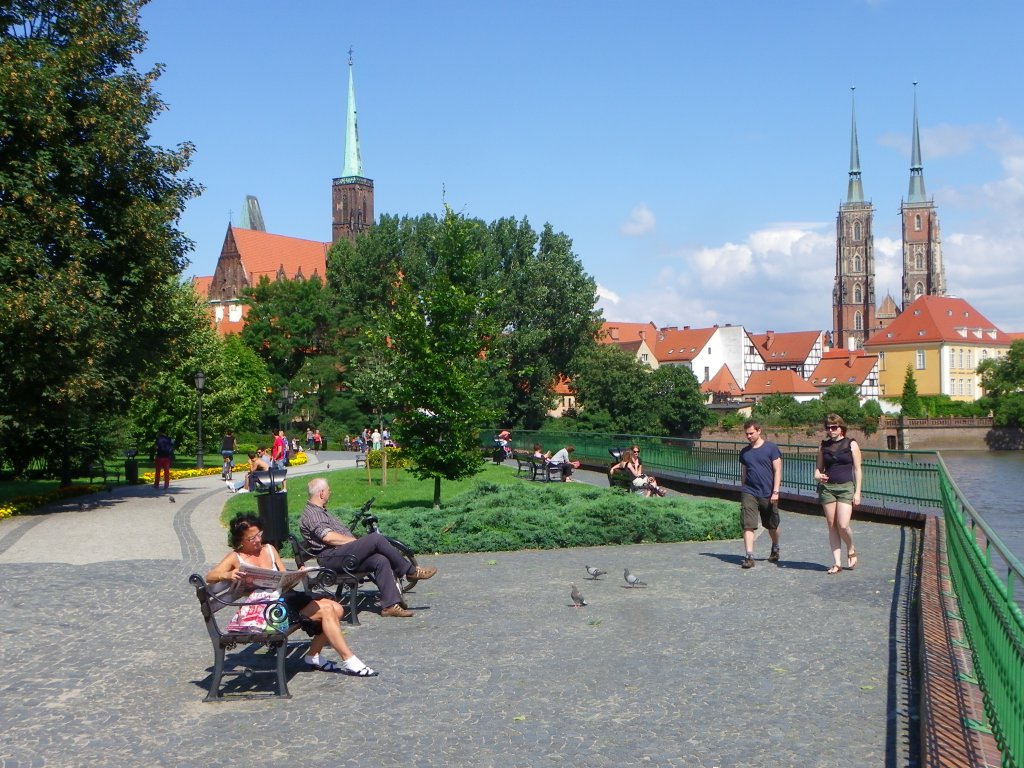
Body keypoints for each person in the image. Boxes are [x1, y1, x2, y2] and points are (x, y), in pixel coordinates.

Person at [205, 514, 378, 676]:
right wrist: (227, 575)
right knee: (327, 611)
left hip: (286, 597)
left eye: (259, 534)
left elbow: (284, 576)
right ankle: (349, 659)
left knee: (337, 608)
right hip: (267, 609)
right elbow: (210, 576)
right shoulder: (236, 557)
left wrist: (297, 575)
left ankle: (313, 655)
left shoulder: (269, 549)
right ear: (240, 541)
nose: (258, 540)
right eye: (252, 538)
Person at [299, 478, 437, 618]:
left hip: (340, 554)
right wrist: (354, 542)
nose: (330, 493)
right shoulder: (312, 514)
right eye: (329, 490)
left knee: (380, 560)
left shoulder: (319, 511)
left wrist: (355, 543)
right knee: (375, 539)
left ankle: (389, 606)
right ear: (322, 493)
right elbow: (328, 537)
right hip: (332, 558)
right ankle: (410, 571)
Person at [815, 413, 862, 574]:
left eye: (834, 427)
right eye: (828, 427)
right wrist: (817, 475)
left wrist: (857, 492)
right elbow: (818, 468)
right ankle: (837, 563)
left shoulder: (851, 444)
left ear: (841, 428)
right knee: (832, 525)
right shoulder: (823, 446)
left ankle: (851, 547)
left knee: (843, 525)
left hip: (845, 487)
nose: (830, 430)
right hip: (827, 488)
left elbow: (857, 469)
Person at [738, 419, 782, 569]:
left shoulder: (771, 448)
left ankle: (775, 546)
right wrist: (743, 487)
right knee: (748, 525)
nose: (749, 436)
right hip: (749, 492)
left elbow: (777, 471)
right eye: (746, 434)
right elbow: (744, 472)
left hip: (768, 492)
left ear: (759, 431)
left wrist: (775, 491)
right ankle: (749, 556)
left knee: (772, 525)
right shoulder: (744, 452)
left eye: (751, 433)